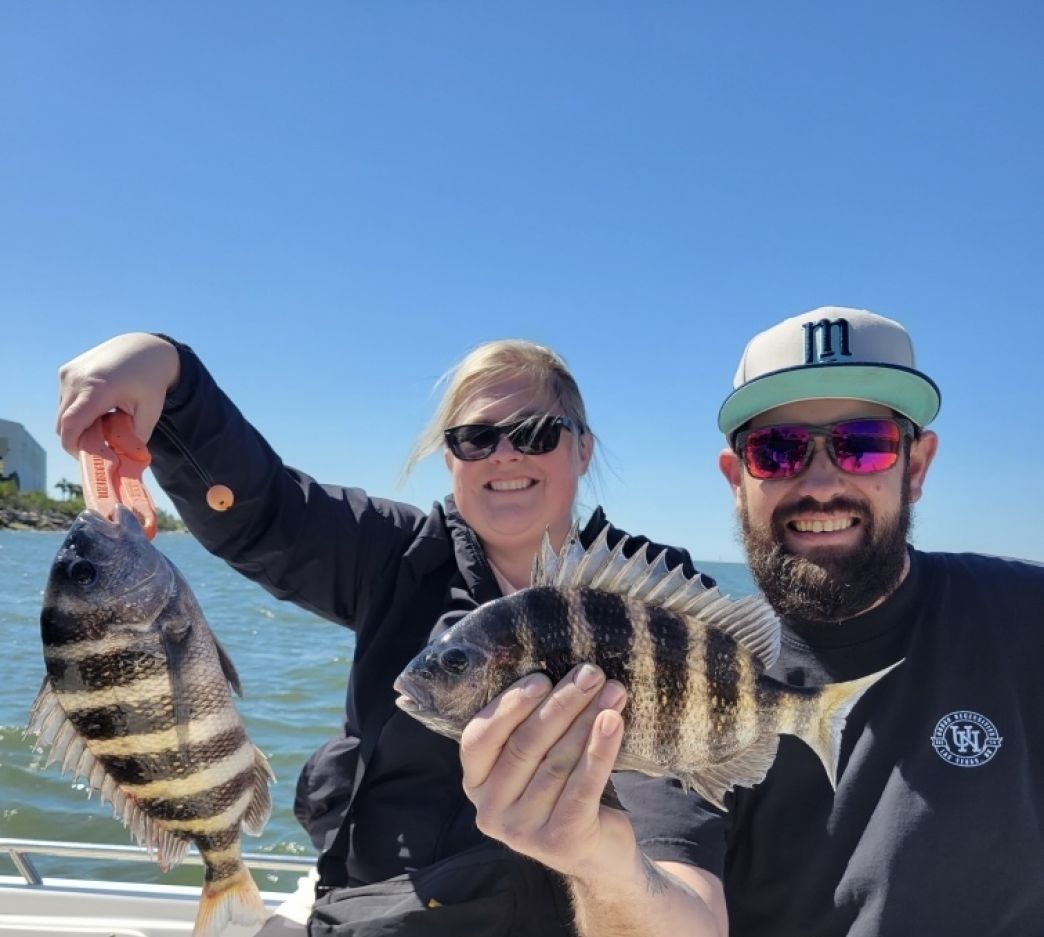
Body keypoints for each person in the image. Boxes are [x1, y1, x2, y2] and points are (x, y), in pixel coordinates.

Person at [55, 332, 716, 936]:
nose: (505, 453)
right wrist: (169, 372)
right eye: (474, 437)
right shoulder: (398, 557)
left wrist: (618, 867)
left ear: (583, 448)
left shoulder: (652, 603)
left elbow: (677, 834)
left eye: (537, 432)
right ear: (450, 459)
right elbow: (269, 512)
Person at [461, 305, 1044, 936]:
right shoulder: (688, 655)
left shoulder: (1025, 612)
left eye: (865, 445)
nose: (822, 480)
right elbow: (682, 913)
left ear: (918, 466)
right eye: (778, 449)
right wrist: (597, 865)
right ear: (736, 479)